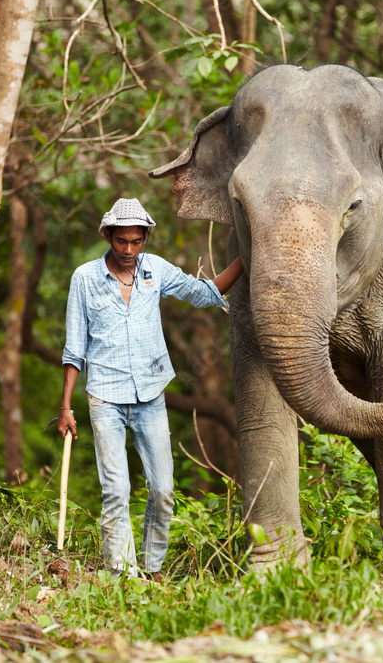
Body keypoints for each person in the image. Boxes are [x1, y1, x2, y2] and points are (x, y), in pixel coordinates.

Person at [57, 198, 243, 582]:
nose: (128, 250)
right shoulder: (85, 278)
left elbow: (206, 293)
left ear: (145, 239)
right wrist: (65, 408)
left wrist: (247, 256)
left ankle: (152, 568)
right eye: (121, 241)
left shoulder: (155, 270)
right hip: (105, 397)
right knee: (116, 491)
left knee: (162, 490)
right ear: (108, 236)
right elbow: (74, 349)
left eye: (136, 242)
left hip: (150, 396)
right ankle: (124, 576)